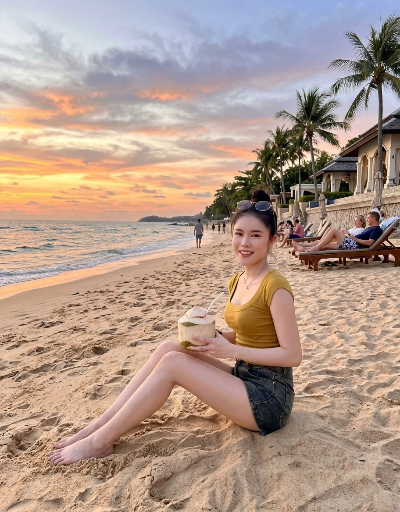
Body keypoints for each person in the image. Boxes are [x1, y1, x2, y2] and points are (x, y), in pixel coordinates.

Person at [48, 197, 302, 466]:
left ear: (271, 240)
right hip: (243, 377)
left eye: (255, 235)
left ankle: (100, 442)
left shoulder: (276, 287)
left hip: (270, 397)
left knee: (173, 365)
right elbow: (251, 334)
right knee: (171, 347)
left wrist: (229, 350)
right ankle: (99, 425)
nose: (244, 243)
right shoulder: (238, 280)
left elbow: (292, 355)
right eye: (239, 234)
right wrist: (213, 337)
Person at [298, 211, 382, 253]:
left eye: (368, 218)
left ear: (373, 219)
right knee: (326, 245)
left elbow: (370, 243)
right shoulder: (370, 228)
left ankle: (316, 247)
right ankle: (303, 249)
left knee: (333, 231)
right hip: (351, 242)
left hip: (354, 245)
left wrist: (354, 238)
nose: (367, 219)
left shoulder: (376, 229)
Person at [293, 215, 366, 252]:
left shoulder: (361, 230)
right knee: (328, 232)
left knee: (331, 233)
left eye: (357, 220)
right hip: (343, 241)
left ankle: (310, 247)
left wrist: (347, 233)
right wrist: (342, 232)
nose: (355, 222)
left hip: (348, 243)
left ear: (362, 222)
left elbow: (355, 239)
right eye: (354, 220)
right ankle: (302, 247)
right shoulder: (354, 228)